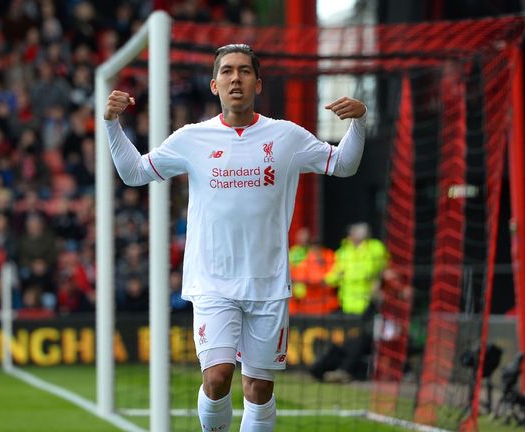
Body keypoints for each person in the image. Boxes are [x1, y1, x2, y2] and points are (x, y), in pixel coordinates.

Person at [104, 43, 367, 431]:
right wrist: (111, 124)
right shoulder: (192, 138)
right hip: (212, 282)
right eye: (227, 71)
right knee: (217, 377)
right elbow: (134, 173)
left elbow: (343, 165)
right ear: (214, 85)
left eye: (244, 71)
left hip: (267, 283)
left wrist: (360, 121)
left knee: (258, 388)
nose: (235, 78)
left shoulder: (287, 137)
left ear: (258, 83)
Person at [324, 222, 388, 315]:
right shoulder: (342, 252)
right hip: (347, 302)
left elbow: (383, 267)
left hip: (369, 300)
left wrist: (377, 280)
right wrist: (327, 280)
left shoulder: (375, 248)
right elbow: (335, 275)